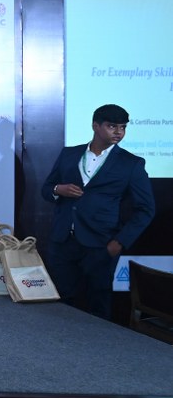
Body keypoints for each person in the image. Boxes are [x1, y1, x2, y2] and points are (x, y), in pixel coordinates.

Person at [42, 103, 155, 319]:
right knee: (61, 305)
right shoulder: (69, 154)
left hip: (101, 244)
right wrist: (58, 189)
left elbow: (146, 209)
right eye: (112, 126)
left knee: (98, 307)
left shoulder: (131, 163)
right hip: (63, 241)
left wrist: (119, 243)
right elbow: (46, 189)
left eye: (123, 127)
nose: (119, 132)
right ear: (96, 126)